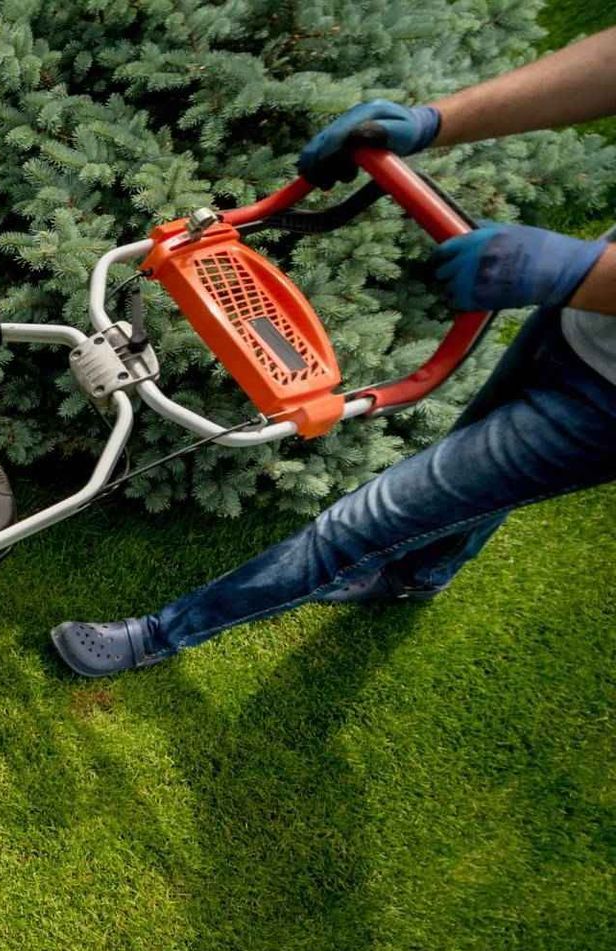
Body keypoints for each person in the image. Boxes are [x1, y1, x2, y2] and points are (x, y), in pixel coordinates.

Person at [49, 26, 616, 678]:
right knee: (485, 458)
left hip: (607, 401)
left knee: (363, 523)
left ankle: (158, 635)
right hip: (586, 322)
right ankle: (425, 571)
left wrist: (581, 271)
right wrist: (432, 123)